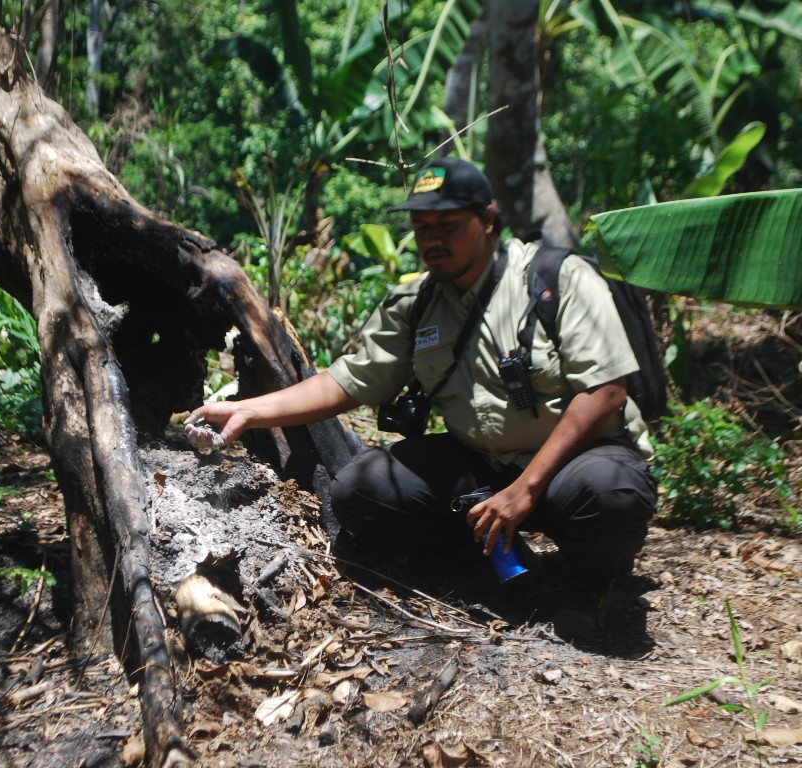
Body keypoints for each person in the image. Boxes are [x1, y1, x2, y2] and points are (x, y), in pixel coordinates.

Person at [186, 158, 657, 641]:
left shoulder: (557, 278)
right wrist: (248, 411)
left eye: (448, 224)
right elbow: (344, 382)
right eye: (422, 226)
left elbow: (605, 392)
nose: (432, 238)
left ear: (488, 220)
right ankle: (492, 567)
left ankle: (589, 587)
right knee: (360, 491)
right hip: (483, 468)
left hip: (573, 462)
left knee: (612, 492)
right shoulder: (417, 306)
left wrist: (526, 489)